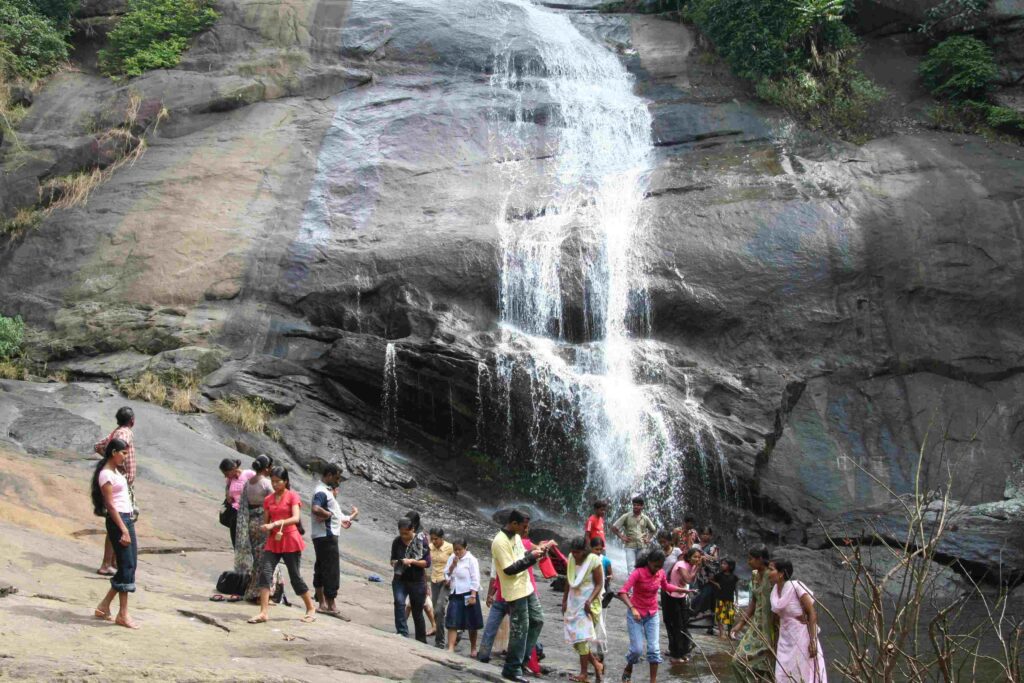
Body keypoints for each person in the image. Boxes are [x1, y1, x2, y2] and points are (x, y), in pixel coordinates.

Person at [247, 466, 317, 624]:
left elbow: (295, 518)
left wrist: (277, 523)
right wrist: (265, 527)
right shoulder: (268, 500)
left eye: (278, 481)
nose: (275, 484)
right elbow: (266, 522)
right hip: (273, 540)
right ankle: (263, 612)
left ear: (285, 481)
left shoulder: (292, 496)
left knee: (295, 576)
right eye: (272, 481)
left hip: (290, 539)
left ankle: (310, 608)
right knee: (265, 573)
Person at [491, 509, 553, 682]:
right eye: (524, 526)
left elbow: (521, 557)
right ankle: (512, 668)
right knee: (520, 629)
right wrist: (531, 558)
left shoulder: (517, 537)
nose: (526, 530)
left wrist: (536, 554)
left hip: (526, 586)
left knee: (537, 619)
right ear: (514, 523)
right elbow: (509, 569)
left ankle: (521, 661)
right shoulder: (499, 541)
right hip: (514, 590)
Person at [616, 548, 685, 683]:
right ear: (649, 562)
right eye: (655, 566)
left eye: (660, 566)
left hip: (652, 614)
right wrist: (632, 608)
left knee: (654, 650)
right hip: (635, 614)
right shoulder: (638, 573)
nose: (657, 569)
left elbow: (666, 587)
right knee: (636, 650)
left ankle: (653, 681)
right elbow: (622, 592)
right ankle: (629, 666)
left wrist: (682, 590)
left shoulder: (660, 573)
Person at [91, 438, 139, 629]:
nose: (125, 457)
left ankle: (104, 606)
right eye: (123, 453)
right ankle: (123, 614)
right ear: (113, 452)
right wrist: (123, 529)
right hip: (118, 520)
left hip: (126, 519)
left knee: (130, 565)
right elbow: (110, 505)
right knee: (126, 566)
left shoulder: (117, 471)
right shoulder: (105, 475)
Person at [769, 558, 827, 683]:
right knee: (783, 672)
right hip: (785, 638)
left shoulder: (796, 587)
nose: (768, 572)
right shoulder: (774, 591)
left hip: (801, 637)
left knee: (802, 671)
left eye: (771, 569)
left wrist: (812, 641)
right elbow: (776, 618)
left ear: (781, 574)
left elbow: (812, 613)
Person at [93, 407, 136, 576]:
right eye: (122, 453)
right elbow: (116, 445)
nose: (124, 455)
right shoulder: (124, 433)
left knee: (117, 520)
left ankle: (112, 562)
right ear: (132, 420)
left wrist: (112, 464)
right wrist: (117, 467)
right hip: (121, 484)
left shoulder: (116, 432)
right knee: (119, 521)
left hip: (120, 481)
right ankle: (109, 563)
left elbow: (98, 446)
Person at [311, 463, 358, 614]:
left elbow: (331, 512)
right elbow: (316, 508)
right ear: (329, 475)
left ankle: (322, 604)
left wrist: (341, 519)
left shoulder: (324, 491)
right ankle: (331, 605)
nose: (338, 482)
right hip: (327, 536)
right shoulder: (322, 492)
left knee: (320, 567)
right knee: (331, 570)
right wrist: (328, 516)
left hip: (321, 536)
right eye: (337, 478)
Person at [562, 536, 604, 683]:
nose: (574, 555)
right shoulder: (571, 559)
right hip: (573, 602)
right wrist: (564, 599)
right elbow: (569, 579)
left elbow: (599, 584)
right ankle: (597, 664)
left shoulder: (593, 560)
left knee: (581, 639)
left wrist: (590, 600)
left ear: (584, 551)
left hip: (587, 605)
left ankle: (584, 673)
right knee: (575, 638)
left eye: (577, 552)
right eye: (572, 552)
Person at [730, 546, 776, 682]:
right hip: (756, 627)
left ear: (760, 559)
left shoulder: (772, 575)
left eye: (750, 559)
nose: (748, 562)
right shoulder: (755, 575)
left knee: (766, 669)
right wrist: (740, 624)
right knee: (737, 662)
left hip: (771, 629)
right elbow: (753, 602)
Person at [237, 455, 274, 602]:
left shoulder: (248, 483)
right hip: (263, 522)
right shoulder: (266, 483)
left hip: (251, 522)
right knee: (263, 559)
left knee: (257, 558)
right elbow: (274, 500)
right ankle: (258, 594)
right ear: (266, 468)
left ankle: (253, 591)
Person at [391, 517, 431, 642]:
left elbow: (427, 563)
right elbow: (392, 560)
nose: (403, 536)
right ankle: (402, 632)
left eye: (406, 533)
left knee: (417, 611)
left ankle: (421, 639)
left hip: (417, 581)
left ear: (412, 529)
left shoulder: (421, 541)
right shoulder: (397, 542)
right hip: (400, 578)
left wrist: (412, 561)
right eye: (401, 533)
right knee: (399, 602)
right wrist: (399, 563)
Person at [443, 537, 483, 656]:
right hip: (455, 592)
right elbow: (446, 573)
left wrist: (473, 594)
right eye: (455, 550)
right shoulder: (452, 558)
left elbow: (475, 578)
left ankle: (473, 648)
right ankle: (451, 647)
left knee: (471, 622)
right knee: (453, 620)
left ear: (465, 548)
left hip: (468, 592)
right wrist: (453, 565)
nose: (457, 552)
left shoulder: (471, 560)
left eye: (459, 550)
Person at [405, 510, 437, 636]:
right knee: (422, 604)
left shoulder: (420, 537)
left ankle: (402, 628)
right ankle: (434, 625)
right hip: (414, 575)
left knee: (413, 604)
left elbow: (426, 562)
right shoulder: (415, 535)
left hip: (418, 576)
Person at [666, 547, 700, 664]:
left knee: (683, 625)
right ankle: (676, 655)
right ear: (688, 557)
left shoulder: (693, 566)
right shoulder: (681, 565)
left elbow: (693, 581)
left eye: (698, 557)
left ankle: (683, 651)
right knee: (676, 625)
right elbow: (688, 580)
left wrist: (697, 567)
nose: (697, 559)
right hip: (671, 597)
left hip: (681, 596)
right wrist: (698, 567)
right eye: (694, 557)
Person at [611, 497, 657, 570]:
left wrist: (648, 538)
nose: (635, 507)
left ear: (642, 506)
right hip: (630, 546)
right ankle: (632, 581)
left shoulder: (645, 518)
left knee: (641, 568)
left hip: (642, 546)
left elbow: (653, 530)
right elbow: (614, 527)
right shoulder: (626, 516)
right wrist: (621, 536)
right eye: (634, 505)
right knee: (631, 568)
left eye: (638, 505)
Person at [220, 458, 255, 549]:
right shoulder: (229, 479)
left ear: (233, 468)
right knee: (236, 539)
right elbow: (227, 488)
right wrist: (227, 494)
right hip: (235, 511)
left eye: (227, 473)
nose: (226, 476)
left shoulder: (248, 474)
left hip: (248, 510)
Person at [429, 528, 455, 648]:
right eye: (432, 538)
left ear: (442, 538)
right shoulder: (430, 547)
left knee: (440, 609)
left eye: (436, 539)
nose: (434, 541)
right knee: (436, 611)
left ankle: (440, 641)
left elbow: (460, 559)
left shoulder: (450, 547)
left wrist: (451, 576)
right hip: (434, 580)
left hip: (446, 581)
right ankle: (442, 636)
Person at [691, 526, 720, 627]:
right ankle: (693, 616)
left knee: (707, 597)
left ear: (711, 536)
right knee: (695, 595)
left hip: (708, 577)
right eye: (703, 534)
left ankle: (709, 623)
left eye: (707, 534)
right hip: (695, 575)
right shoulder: (695, 546)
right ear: (700, 535)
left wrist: (704, 557)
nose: (705, 536)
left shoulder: (713, 547)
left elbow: (716, 560)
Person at [711, 558, 739, 639]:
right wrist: (716, 584)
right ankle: (722, 632)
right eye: (722, 563)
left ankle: (730, 633)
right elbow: (710, 580)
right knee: (720, 616)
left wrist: (737, 600)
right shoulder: (719, 575)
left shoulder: (734, 577)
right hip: (720, 598)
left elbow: (736, 588)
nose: (722, 565)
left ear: (730, 566)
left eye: (724, 564)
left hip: (730, 599)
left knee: (730, 617)